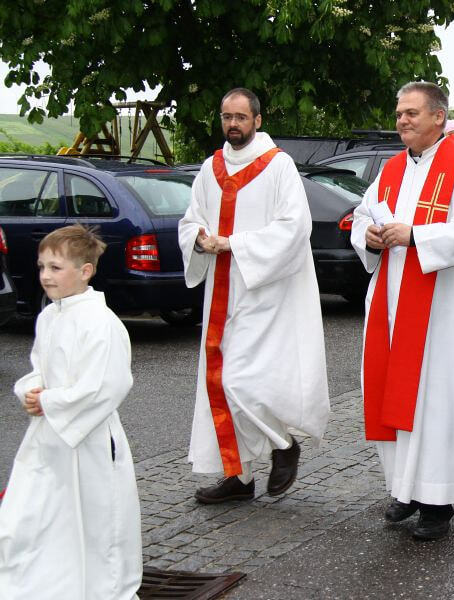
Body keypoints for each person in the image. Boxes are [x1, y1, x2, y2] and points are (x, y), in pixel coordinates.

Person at [351, 81, 454, 540]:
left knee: (435, 400)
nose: (402, 120)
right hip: (392, 302)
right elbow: (363, 214)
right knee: (392, 393)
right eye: (399, 113)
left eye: (412, 113)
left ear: (438, 117)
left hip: (442, 310)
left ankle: (437, 502)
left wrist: (415, 236)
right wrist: (368, 236)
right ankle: (404, 489)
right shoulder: (392, 168)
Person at [178, 87, 330, 504]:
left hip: (264, 293)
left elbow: (295, 228)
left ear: (257, 120)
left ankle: (284, 445)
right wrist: (199, 239)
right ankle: (238, 475)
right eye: (226, 117)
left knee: (240, 381)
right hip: (221, 291)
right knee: (218, 381)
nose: (232, 124)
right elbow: (190, 220)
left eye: (240, 117)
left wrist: (234, 244)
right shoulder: (210, 168)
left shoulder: (278, 166)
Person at [0, 225, 142, 599]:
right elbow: (40, 366)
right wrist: (31, 390)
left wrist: (49, 401)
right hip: (49, 434)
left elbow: (107, 384)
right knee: (37, 512)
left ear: (85, 271)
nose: (46, 276)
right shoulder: (49, 316)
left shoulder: (101, 323)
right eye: (41, 267)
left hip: (89, 437)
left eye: (56, 267)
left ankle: (100, 589)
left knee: (97, 521)